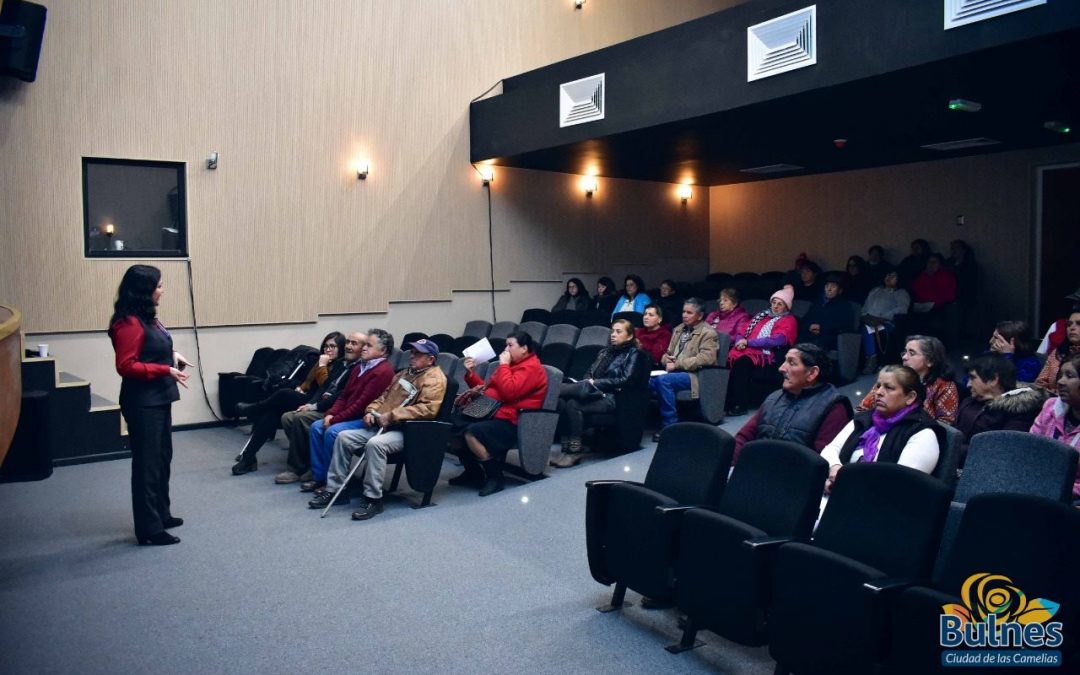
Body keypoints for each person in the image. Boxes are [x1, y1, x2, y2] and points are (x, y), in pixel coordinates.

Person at [309, 339, 447, 519]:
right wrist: (371, 411)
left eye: (418, 353)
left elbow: (427, 410)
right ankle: (336, 489)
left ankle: (373, 499)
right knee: (343, 437)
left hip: (408, 431)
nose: (412, 356)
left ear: (430, 359)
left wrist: (391, 416)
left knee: (375, 444)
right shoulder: (405, 373)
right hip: (384, 424)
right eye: (412, 352)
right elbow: (384, 396)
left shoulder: (435, 379)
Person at [109, 265, 190, 546]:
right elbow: (126, 366)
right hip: (143, 403)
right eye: (159, 286)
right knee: (147, 464)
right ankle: (149, 529)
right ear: (144, 290)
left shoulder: (147, 318)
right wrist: (164, 369)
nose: (162, 291)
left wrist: (173, 354)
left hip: (159, 398)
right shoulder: (128, 323)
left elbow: (153, 348)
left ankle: (161, 513)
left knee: (162, 458)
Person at [229, 331, 345, 475]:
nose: (328, 349)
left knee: (284, 394)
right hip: (309, 397)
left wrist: (322, 366)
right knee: (272, 413)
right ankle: (248, 458)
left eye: (333, 346)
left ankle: (254, 408)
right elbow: (308, 382)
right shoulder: (321, 361)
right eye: (326, 346)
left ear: (340, 349)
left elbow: (325, 387)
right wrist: (301, 388)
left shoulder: (340, 366)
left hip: (321, 403)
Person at [450, 331, 548, 496]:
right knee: (451, 426)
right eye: (506, 345)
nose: (506, 349)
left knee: (472, 433)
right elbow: (488, 389)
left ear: (524, 348)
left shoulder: (532, 368)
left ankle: (495, 477)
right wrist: (471, 374)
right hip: (490, 412)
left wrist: (503, 365)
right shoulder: (510, 365)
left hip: (512, 420)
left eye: (510, 345)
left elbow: (509, 392)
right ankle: (473, 472)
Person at [300, 329, 395, 493]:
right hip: (350, 415)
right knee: (316, 427)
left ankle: (332, 483)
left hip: (365, 419)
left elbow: (360, 405)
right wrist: (331, 413)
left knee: (332, 431)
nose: (364, 348)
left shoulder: (383, 372)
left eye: (369, 346)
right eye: (364, 345)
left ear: (383, 351)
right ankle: (319, 477)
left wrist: (334, 420)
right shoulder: (360, 367)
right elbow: (343, 396)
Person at [822, 365, 942, 493]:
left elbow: (901, 483)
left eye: (889, 388)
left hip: (880, 501)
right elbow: (831, 449)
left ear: (910, 397)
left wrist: (845, 482)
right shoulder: (864, 418)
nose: (878, 392)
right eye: (878, 386)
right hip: (841, 491)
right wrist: (835, 470)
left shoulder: (923, 433)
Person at [551, 319, 649, 468]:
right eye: (612, 331)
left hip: (612, 397)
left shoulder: (634, 353)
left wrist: (596, 383)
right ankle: (567, 449)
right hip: (593, 392)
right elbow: (589, 373)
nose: (613, 335)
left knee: (572, 403)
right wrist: (590, 382)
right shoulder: (604, 352)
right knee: (565, 402)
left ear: (629, 336)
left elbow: (626, 379)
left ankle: (574, 450)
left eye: (618, 332)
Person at [733, 344, 853, 462]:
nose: (781, 368)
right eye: (785, 361)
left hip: (793, 473)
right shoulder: (774, 398)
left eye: (792, 363)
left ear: (812, 373)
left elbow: (821, 460)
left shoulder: (834, 407)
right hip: (757, 468)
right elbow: (743, 438)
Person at [276, 340, 359, 484]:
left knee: (299, 418)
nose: (349, 346)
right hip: (320, 403)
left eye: (354, 343)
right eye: (348, 342)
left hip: (333, 408)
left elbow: (339, 396)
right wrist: (310, 404)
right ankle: (307, 462)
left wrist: (315, 407)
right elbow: (323, 387)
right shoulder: (341, 363)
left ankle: (295, 469)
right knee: (287, 417)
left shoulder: (358, 369)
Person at [650, 298, 719, 438]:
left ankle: (670, 426)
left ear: (700, 315)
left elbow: (707, 359)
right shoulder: (678, 329)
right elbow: (667, 353)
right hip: (673, 371)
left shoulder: (708, 333)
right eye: (683, 312)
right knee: (644, 380)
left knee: (663, 380)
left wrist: (677, 364)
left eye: (689, 313)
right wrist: (666, 359)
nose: (684, 315)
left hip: (694, 375)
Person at [726, 286, 799, 416]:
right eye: (774, 302)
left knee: (742, 363)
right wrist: (739, 341)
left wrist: (748, 343)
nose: (775, 306)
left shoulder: (789, 320)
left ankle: (740, 404)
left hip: (767, 355)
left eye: (780, 304)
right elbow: (742, 331)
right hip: (747, 348)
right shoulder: (761, 316)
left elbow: (777, 340)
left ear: (786, 307)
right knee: (729, 359)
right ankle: (726, 401)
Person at [856, 335, 959, 424]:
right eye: (904, 352)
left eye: (912, 353)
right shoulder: (891, 377)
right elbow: (862, 409)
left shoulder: (944, 386)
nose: (904, 357)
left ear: (930, 361)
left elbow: (945, 425)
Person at [955, 354, 1046, 448]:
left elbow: (1002, 449)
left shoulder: (1020, 411)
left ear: (993, 380)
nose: (968, 384)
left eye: (973, 378)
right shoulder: (970, 400)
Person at [1030, 354, 1080, 503]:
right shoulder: (1051, 406)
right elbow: (1030, 450)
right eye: (1060, 375)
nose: (1060, 382)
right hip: (1038, 488)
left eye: (1069, 376)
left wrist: (1060, 488)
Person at [860, 270, 910, 374]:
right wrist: (864, 316)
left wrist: (882, 318)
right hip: (868, 319)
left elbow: (902, 308)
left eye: (893, 276)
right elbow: (865, 306)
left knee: (867, 330)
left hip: (886, 322)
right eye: (887, 275)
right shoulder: (875, 290)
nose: (889, 278)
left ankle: (872, 359)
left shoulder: (901, 293)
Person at [798, 273, 855, 352]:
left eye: (833, 286)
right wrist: (809, 326)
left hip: (830, 339)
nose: (829, 289)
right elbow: (806, 319)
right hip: (811, 335)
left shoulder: (844, 306)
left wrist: (822, 328)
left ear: (840, 290)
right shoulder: (818, 302)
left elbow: (845, 326)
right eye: (827, 286)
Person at [1035, 311, 1080, 393]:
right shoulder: (1058, 352)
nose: (1072, 328)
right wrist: (1052, 393)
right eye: (1069, 324)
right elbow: (1040, 382)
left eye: (1079, 324)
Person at [704, 287, 750, 355]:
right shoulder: (712, 315)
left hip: (724, 351)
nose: (721, 303)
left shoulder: (742, 317)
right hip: (705, 347)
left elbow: (738, 337)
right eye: (720, 300)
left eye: (725, 300)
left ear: (734, 303)